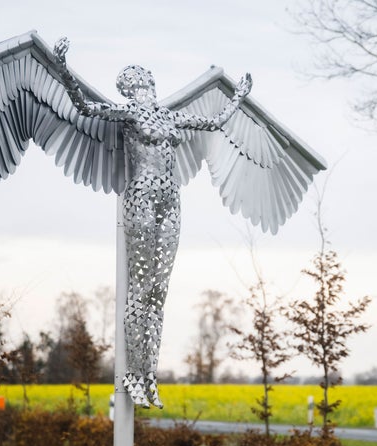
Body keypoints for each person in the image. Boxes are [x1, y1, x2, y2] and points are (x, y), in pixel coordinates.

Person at [53, 38, 252, 408]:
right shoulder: (126, 113)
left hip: (171, 201)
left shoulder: (170, 115)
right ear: (128, 88)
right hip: (141, 198)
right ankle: (132, 373)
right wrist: (62, 66)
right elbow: (82, 105)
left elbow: (215, 121)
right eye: (134, 81)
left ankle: (150, 375)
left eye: (141, 79)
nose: (141, 84)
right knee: (139, 291)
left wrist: (239, 97)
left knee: (159, 292)